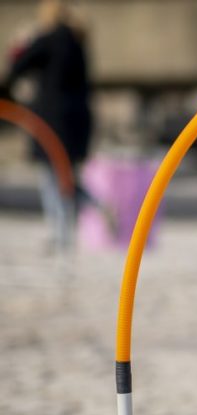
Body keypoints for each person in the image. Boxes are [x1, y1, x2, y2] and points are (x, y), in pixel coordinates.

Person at [3, 0, 94, 253]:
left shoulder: (48, 39)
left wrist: (21, 45)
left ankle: (61, 234)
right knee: (66, 176)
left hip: (51, 121)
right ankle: (95, 207)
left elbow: (16, 67)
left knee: (51, 179)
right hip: (77, 119)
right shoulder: (78, 40)